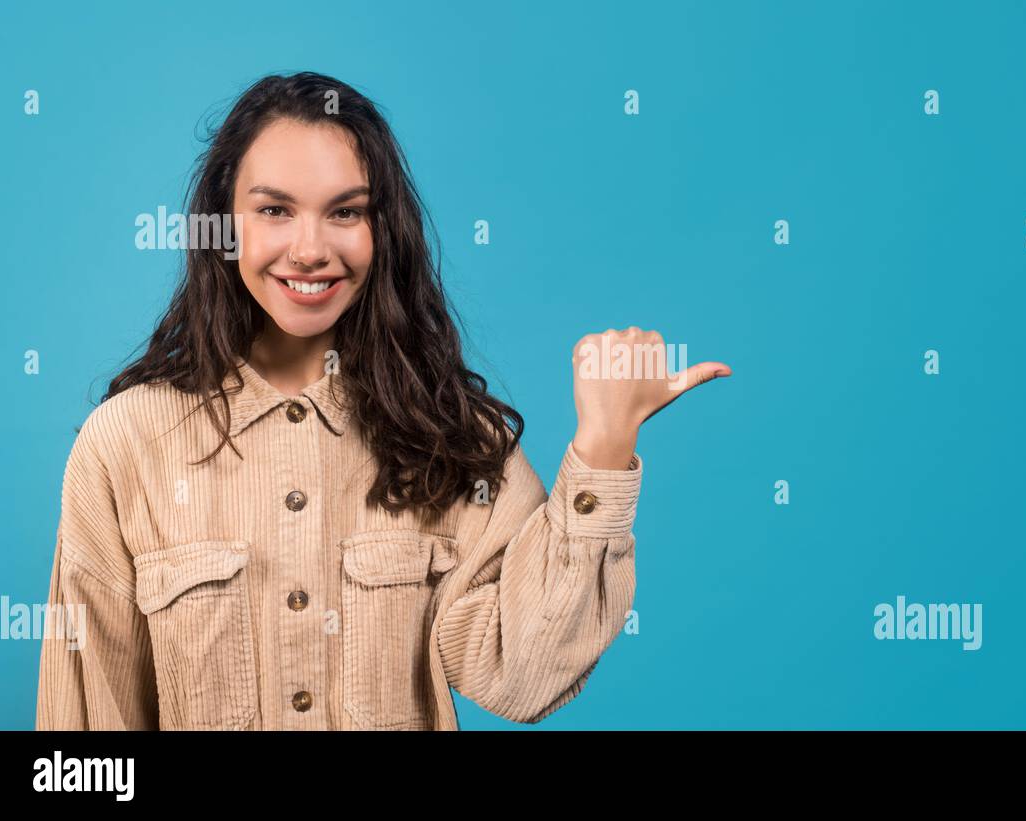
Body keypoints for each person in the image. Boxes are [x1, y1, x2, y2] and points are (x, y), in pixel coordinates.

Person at [35, 71, 730, 730]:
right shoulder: (125, 444)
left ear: (383, 232)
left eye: (345, 212)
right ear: (225, 225)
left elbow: (520, 676)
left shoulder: (451, 433)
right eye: (274, 209)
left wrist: (605, 445)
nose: (309, 249)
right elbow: (86, 723)